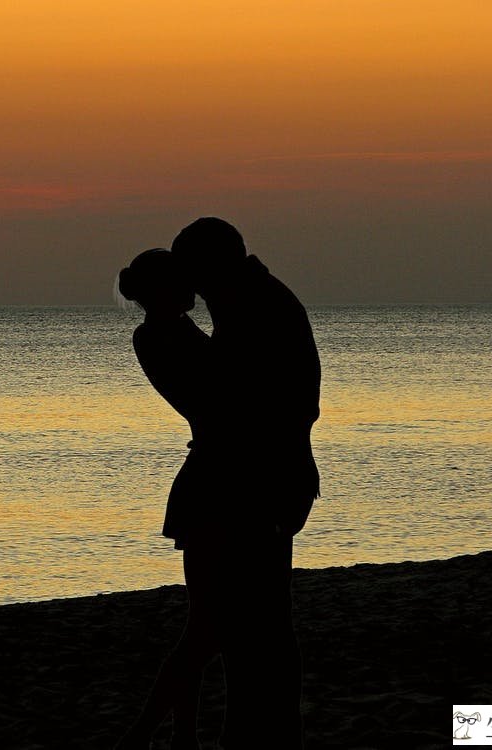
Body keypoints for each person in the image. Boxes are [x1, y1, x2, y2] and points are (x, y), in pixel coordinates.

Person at [171, 217, 320, 749]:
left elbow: (288, 406)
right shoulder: (247, 302)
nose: (186, 283)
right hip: (268, 480)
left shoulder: (256, 307)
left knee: (257, 628)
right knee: (256, 627)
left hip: (264, 484)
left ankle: (265, 737)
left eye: (190, 269)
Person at [116, 248, 223, 750]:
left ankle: (181, 737)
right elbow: (214, 391)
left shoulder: (169, 331)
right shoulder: (159, 335)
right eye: (182, 281)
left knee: (201, 625)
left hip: (207, 478)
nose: (194, 289)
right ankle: (144, 735)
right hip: (211, 483)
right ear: (162, 289)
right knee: (206, 628)